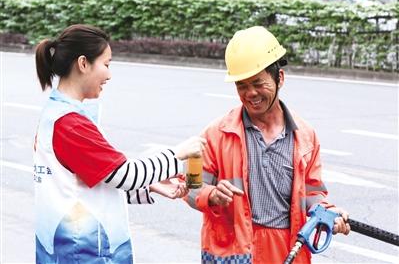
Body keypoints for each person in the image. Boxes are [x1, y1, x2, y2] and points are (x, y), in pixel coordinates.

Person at [34, 24, 205, 263]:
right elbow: (125, 173)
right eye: (106, 64)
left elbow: (92, 181)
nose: (109, 75)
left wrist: (151, 186)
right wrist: (178, 154)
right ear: (83, 64)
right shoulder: (70, 124)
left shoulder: (58, 115)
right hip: (83, 253)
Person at [186, 26, 350, 264]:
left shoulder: (305, 137)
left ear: (279, 78)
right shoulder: (214, 133)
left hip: (286, 248)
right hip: (232, 252)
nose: (251, 93)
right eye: (241, 85)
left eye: (258, 83)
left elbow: (312, 193)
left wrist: (328, 212)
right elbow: (189, 184)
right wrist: (211, 194)